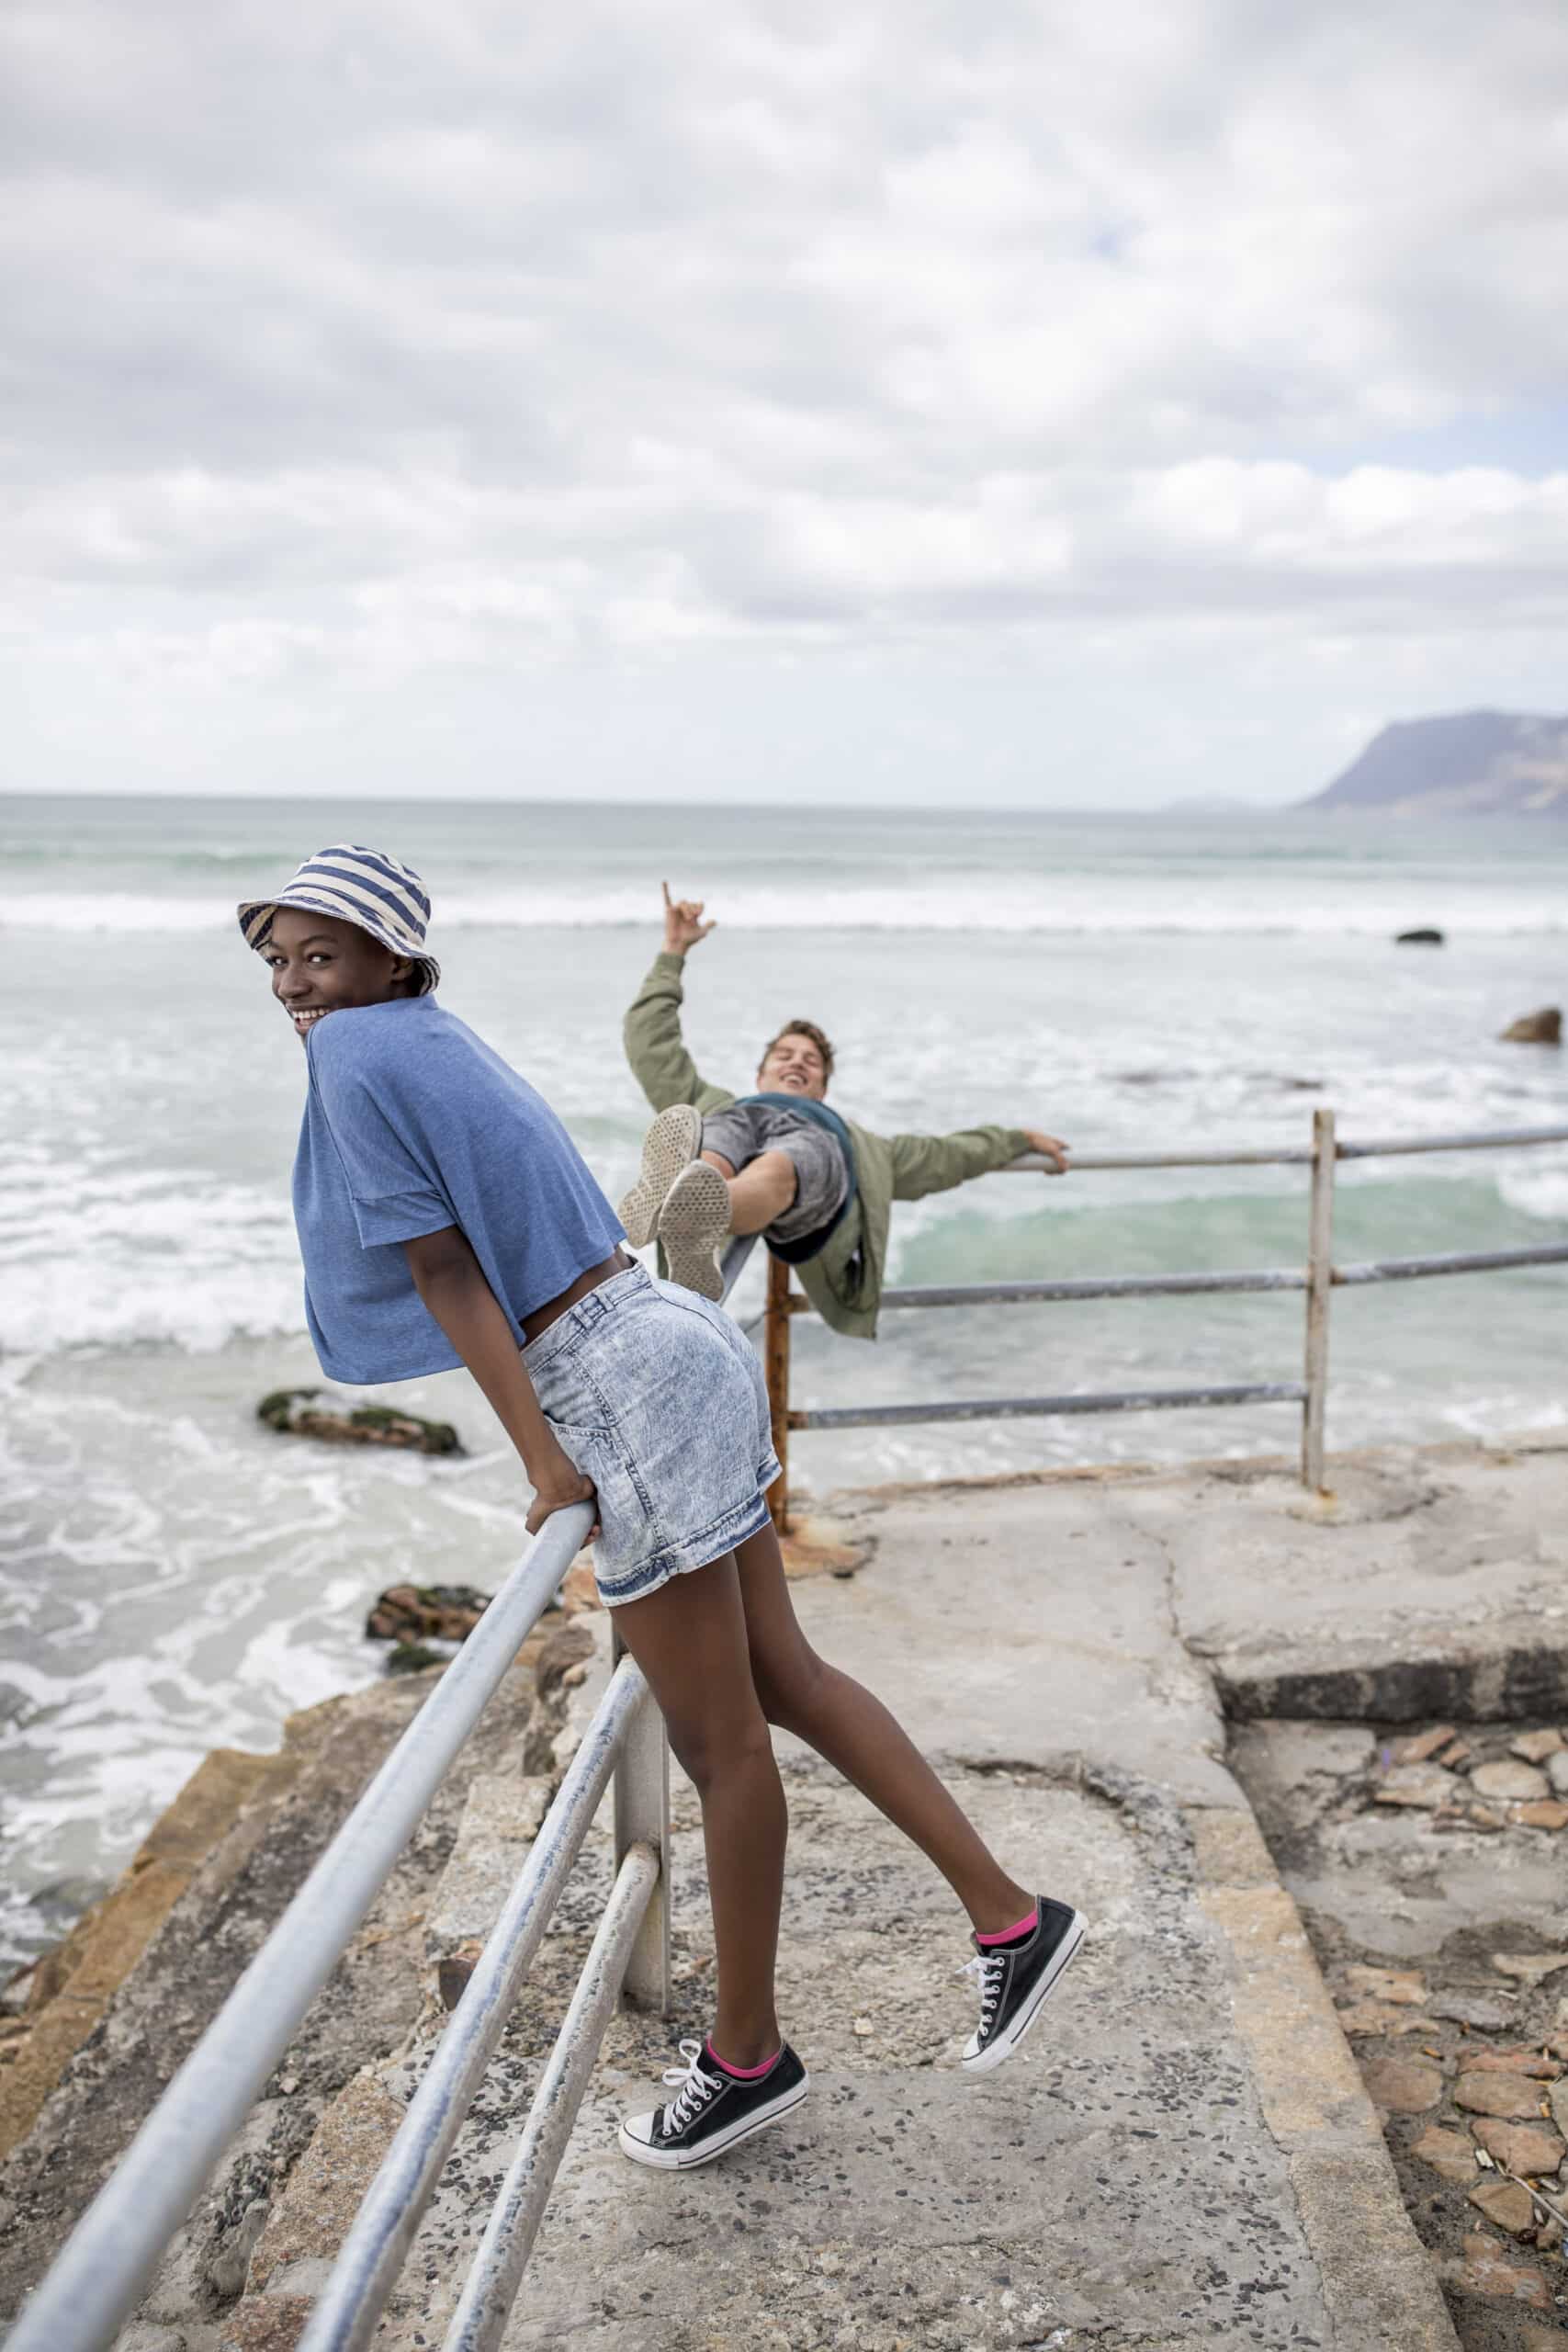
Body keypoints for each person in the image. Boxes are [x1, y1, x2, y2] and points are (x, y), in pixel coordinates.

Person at [242, 843, 1086, 2174]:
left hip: (606, 1379)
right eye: (278, 958)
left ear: (390, 956)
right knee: (789, 1677)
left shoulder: (352, 1054)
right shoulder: (429, 1031)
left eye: (321, 954)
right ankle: (1008, 1918)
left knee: (721, 1745)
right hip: (668, 1330)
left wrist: (543, 1463)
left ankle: (747, 2059)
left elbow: (449, 1273)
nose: (295, 982)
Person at [620, 884, 1071, 1317]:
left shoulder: (857, 1143)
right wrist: (673, 951)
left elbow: (948, 1156)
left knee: (785, 1162)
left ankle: (694, 1211)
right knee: (715, 1139)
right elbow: (650, 1042)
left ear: (822, 1089)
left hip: (813, 1154)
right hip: (734, 1120)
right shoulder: (714, 1103)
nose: (797, 1063)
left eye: (811, 1061)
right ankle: (689, 1196)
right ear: (761, 1074)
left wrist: (1018, 1138)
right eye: (784, 1055)